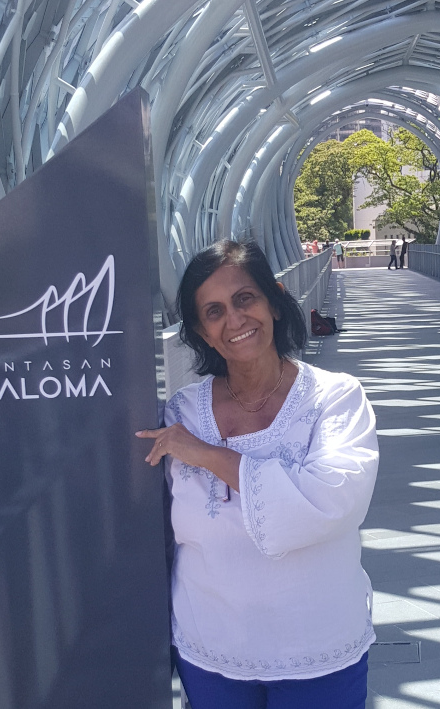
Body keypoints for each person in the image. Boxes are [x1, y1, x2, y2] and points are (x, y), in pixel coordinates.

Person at [136, 240, 378, 708]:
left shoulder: (335, 399)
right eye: (214, 311)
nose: (235, 320)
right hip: (211, 651)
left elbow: (330, 502)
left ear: (275, 300)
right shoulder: (181, 412)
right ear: (202, 333)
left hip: (317, 651)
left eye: (245, 299)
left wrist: (206, 454)